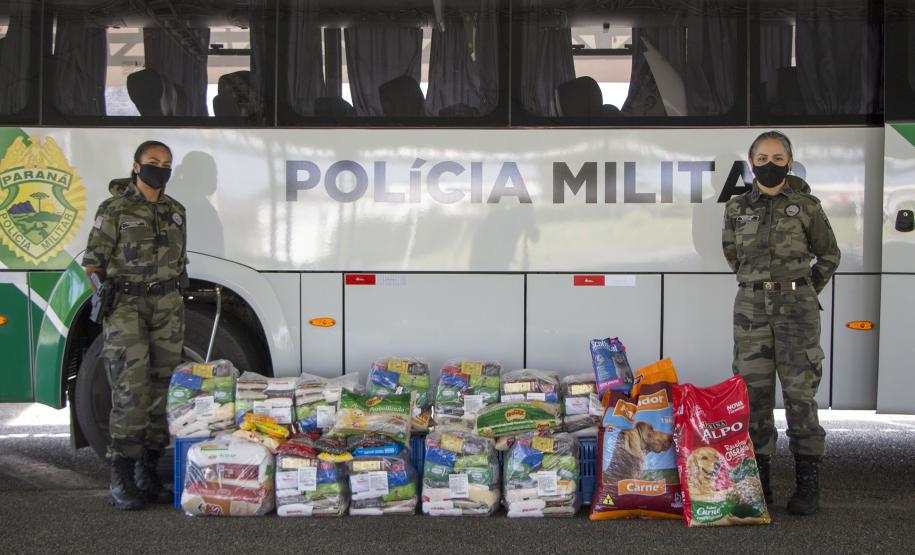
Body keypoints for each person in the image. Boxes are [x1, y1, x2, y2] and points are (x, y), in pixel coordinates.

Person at [721, 130, 840, 516]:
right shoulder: (737, 207)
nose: (769, 165)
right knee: (753, 400)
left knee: (800, 398)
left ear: (789, 162)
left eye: (777, 158)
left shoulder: (806, 206)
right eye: (762, 158)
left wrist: (804, 290)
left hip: (797, 311)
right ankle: (761, 484)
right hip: (751, 311)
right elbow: (731, 254)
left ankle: (808, 487)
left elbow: (828, 255)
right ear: (750, 162)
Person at [82, 141, 188, 510]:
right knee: (131, 388)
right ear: (136, 167)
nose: (160, 169)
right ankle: (122, 474)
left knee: (163, 387)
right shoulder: (114, 209)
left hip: (167, 306)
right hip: (126, 306)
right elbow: (92, 265)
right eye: (153, 162)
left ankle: (149, 472)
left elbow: (180, 261)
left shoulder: (176, 211)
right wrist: (105, 300)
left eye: (166, 163)